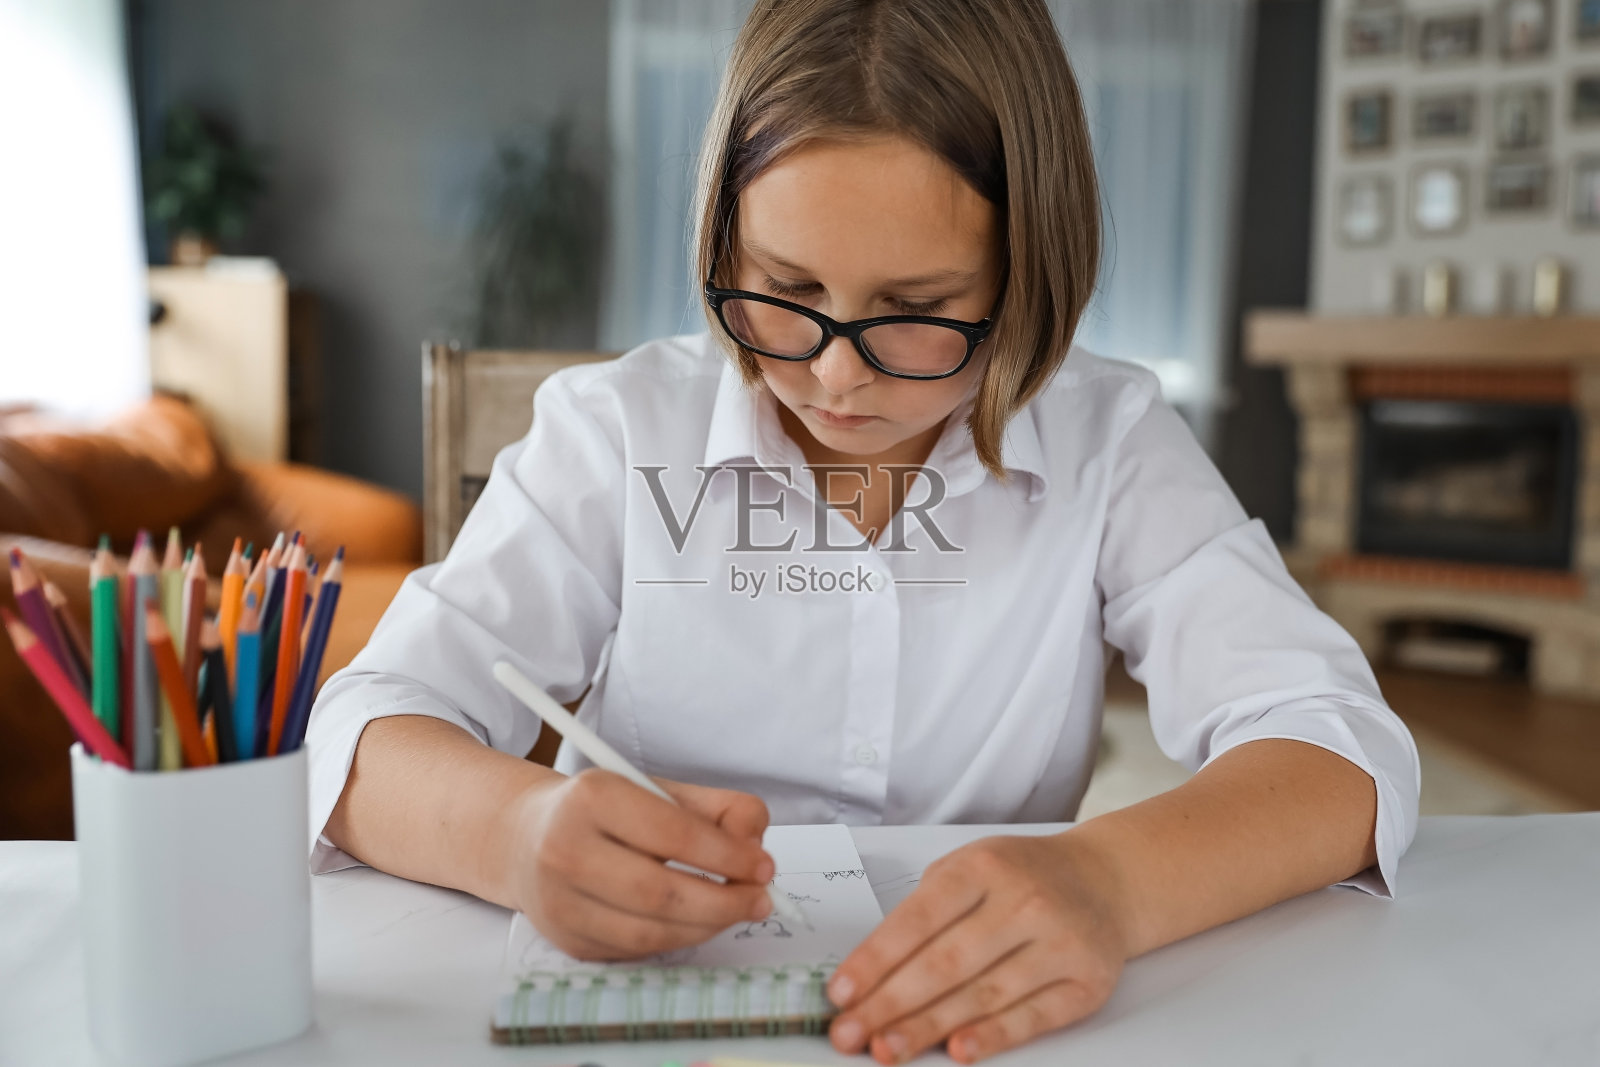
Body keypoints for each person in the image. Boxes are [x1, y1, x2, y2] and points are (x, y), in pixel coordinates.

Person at [308, 1, 1420, 1062]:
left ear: (1028, 278)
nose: (836, 375)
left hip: (966, 1026)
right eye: (785, 286)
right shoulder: (613, 433)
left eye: (917, 309)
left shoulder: (1110, 439)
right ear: (723, 242)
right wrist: (513, 833)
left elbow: (1339, 744)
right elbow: (363, 725)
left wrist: (1114, 882)